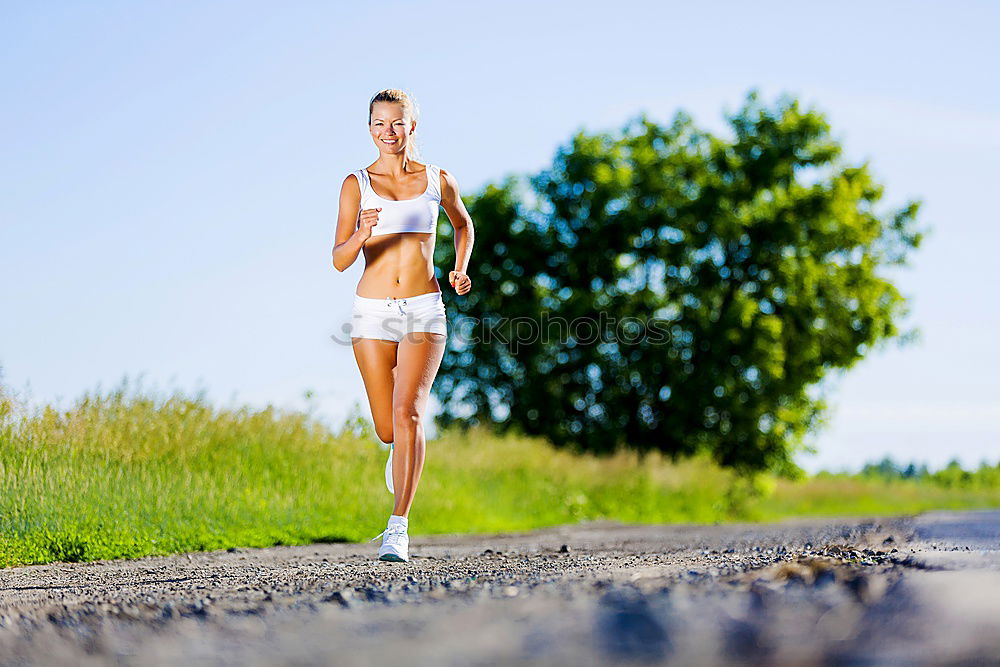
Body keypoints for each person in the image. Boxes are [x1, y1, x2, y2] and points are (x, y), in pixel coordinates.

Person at [332, 88, 475, 562]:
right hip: (371, 312)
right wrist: (361, 235)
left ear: (412, 126)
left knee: (409, 413)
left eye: (396, 123)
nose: (387, 133)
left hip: (424, 307)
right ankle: (399, 454)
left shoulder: (438, 179)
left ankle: (398, 527)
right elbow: (338, 260)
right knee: (388, 429)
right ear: (369, 128)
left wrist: (459, 266)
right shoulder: (356, 183)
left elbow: (462, 225)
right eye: (378, 124)